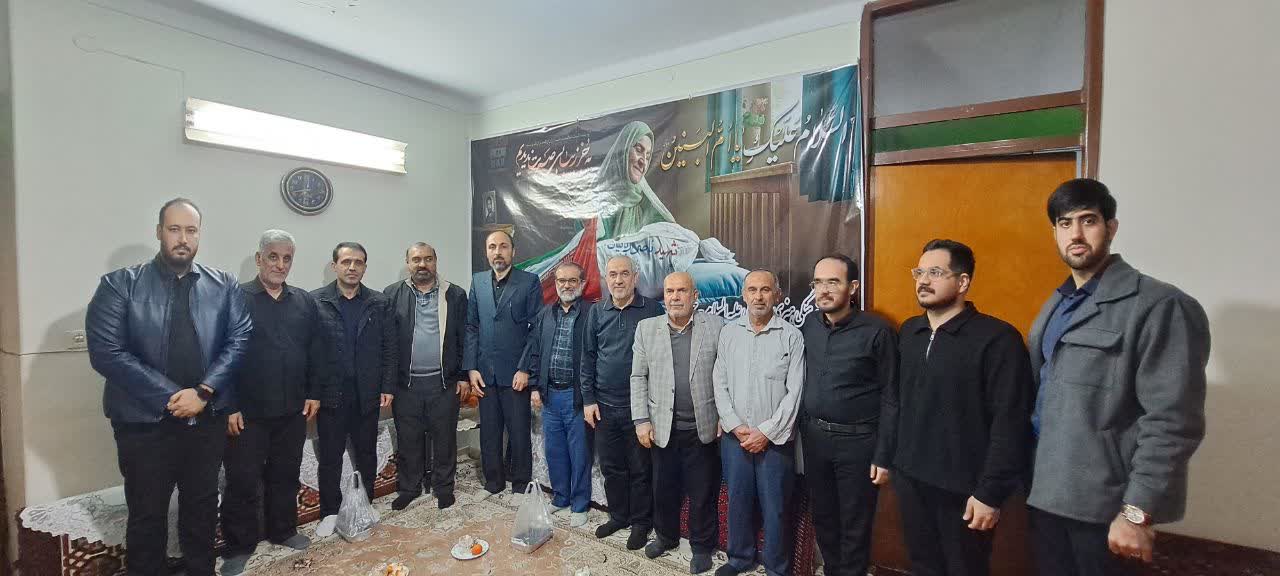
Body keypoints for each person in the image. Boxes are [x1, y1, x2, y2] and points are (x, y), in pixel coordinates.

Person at [1028, 178, 1210, 575]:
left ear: (1111, 227)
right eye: (1064, 223)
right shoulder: (1059, 304)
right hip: (1046, 496)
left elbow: (1173, 421)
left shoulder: (1160, 305)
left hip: (1106, 511)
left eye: (1088, 220)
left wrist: (1137, 512)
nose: (1076, 234)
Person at [86, 198, 252, 576]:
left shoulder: (223, 284)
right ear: (159, 232)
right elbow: (106, 352)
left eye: (191, 230)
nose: (183, 238)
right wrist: (172, 397)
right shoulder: (119, 284)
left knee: (202, 506)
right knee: (147, 512)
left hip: (206, 418)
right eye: (174, 229)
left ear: (199, 235)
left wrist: (204, 392)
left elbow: (240, 339)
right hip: (144, 423)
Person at [893, 240, 1034, 576]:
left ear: (962, 282)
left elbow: (1010, 423)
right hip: (912, 480)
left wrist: (990, 493)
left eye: (935, 272)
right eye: (919, 272)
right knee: (922, 566)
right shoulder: (910, 332)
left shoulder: (998, 339)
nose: (923, 280)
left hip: (965, 491)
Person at [219, 230, 329, 575]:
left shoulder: (303, 301)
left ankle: (283, 531)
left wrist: (313, 393)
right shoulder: (235, 298)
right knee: (242, 481)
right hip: (247, 413)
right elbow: (220, 355)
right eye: (273, 257)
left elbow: (316, 350)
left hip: (292, 409)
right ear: (259, 259)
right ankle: (239, 546)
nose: (280, 264)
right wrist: (228, 405)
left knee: (285, 474)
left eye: (287, 258)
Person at [799, 254, 898, 576]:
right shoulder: (809, 325)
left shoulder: (878, 331)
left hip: (859, 444)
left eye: (833, 282)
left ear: (852, 287)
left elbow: (892, 397)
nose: (824, 290)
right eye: (818, 282)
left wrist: (883, 455)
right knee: (824, 518)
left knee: (855, 523)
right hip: (816, 440)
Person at [630, 271, 725, 574]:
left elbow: (725, 376)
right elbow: (638, 376)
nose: (674, 297)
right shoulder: (647, 329)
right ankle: (666, 537)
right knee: (664, 488)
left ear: (694, 295)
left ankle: (702, 546)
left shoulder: (716, 327)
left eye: (681, 291)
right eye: (669, 291)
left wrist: (724, 416)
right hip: (662, 427)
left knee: (702, 492)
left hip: (703, 427)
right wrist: (641, 420)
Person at [713, 270, 805, 576]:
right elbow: (719, 382)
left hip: (775, 441)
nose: (758, 296)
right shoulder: (729, 333)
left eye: (765, 290)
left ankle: (777, 567)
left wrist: (765, 432)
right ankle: (739, 559)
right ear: (743, 295)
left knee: (775, 507)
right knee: (737, 501)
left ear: (777, 295)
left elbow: (795, 393)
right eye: (752, 290)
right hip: (735, 438)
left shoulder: (791, 336)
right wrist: (734, 424)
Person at [311, 242, 397, 537]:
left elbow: (389, 347)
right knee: (331, 457)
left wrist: (387, 386)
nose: (352, 267)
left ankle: (366, 503)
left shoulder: (379, 302)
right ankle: (329, 512)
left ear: (364, 268)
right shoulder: (317, 301)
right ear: (334, 265)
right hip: (331, 394)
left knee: (366, 453)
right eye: (346, 261)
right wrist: (312, 392)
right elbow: (311, 352)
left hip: (367, 393)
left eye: (358, 262)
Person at [582, 255, 665, 550]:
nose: (618, 280)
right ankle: (618, 516)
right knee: (612, 467)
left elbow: (661, 360)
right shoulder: (596, 312)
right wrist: (588, 399)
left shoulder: (652, 310)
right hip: (604, 407)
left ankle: (641, 523)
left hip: (639, 409)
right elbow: (588, 357)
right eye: (613, 274)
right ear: (606, 279)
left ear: (635, 277)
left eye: (624, 274)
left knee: (641, 470)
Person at [384, 242, 469, 511]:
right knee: (408, 439)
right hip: (406, 385)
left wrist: (464, 376)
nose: (422, 264)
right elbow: (387, 342)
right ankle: (410, 488)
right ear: (408, 263)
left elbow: (464, 337)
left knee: (444, 438)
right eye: (416, 259)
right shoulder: (392, 294)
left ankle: (443, 487)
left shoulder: (454, 294)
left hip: (443, 383)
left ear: (435, 261)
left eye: (428, 259)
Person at [465, 230, 543, 498]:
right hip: (485, 373)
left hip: (515, 374)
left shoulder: (529, 282)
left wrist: (525, 368)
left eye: (503, 246)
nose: (497, 252)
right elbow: (471, 326)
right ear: (486, 252)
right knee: (489, 432)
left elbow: (536, 329)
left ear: (513, 251)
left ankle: (520, 485)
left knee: (518, 432)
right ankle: (493, 483)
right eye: (492, 247)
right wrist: (471, 368)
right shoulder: (478, 281)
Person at [517, 262, 592, 527]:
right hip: (550, 395)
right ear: (555, 283)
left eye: (572, 280)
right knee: (555, 451)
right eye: (561, 281)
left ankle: (580, 505)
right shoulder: (545, 314)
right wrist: (535, 387)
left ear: (582, 283)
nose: (566, 285)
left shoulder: (591, 313)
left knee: (579, 453)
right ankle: (561, 498)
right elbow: (536, 352)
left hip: (577, 396)